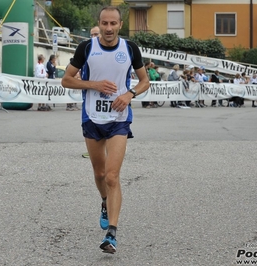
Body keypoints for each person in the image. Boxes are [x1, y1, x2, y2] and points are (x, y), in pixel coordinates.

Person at [61, 6, 149, 254]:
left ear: (121, 24)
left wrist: (129, 94)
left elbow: (145, 81)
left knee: (112, 175)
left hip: (119, 119)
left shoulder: (129, 49)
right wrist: (93, 84)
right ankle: (104, 202)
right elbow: (66, 79)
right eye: (104, 23)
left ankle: (111, 233)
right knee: (99, 174)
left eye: (113, 24)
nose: (108, 28)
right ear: (99, 24)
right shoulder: (86, 48)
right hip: (92, 117)